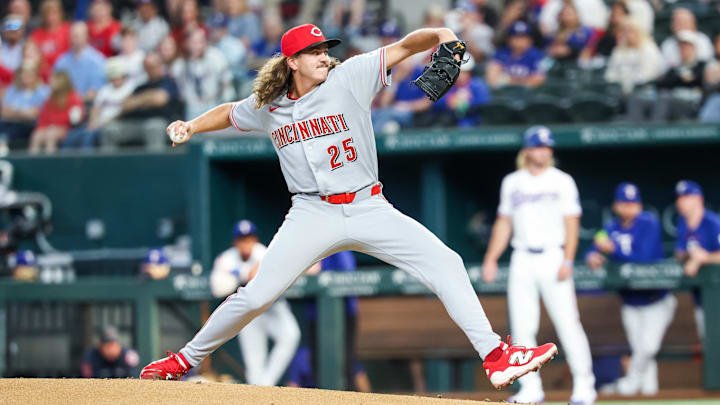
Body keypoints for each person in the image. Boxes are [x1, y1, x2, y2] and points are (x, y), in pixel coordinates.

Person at [139, 23, 558, 389]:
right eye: (314, 52)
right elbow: (231, 113)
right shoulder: (270, 106)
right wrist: (191, 125)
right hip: (310, 213)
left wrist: (443, 36)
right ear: (291, 62)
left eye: (325, 50)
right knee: (255, 296)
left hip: (368, 205)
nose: (324, 57)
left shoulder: (351, 76)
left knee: (446, 262)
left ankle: (495, 356)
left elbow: (409, 44)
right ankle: (185, 359)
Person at [482, 126, 596, 405]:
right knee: (521, 327)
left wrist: (569, 258)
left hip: (553, 255)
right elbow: (504, 222)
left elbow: (572, 222)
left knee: (568, 323)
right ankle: (530, 389)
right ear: (528, 150)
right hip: (522, 256)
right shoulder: (512, 182)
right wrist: (491, 257)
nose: (544, 151)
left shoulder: (562, 180)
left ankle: (585, 386)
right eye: (539, 146)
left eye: (547, 147)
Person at [585, 182, 675, 396]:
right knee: (642, 350)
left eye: (633, 203)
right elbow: (596, 242)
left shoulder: (648, 222)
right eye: (625, 203)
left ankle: (628, 384)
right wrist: (592, 254)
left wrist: (613, 251)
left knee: (649, 347)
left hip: (657, 299)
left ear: (639, 205)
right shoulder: (612, 228)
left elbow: (642, 260)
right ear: (616, 205)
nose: (629, 207)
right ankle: (649, 392)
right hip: (630, 302)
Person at [209, 220, 300, 386]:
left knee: (290, 336)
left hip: (273, 308)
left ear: (255, 239)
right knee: (254, 363)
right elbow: (217, 288)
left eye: (249, 238)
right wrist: (242, 274)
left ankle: (266, 384)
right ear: (235, 242)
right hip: (249, 313)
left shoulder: (263, 252)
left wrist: (238, 275)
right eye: (242, 239)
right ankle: (261, 391)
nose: (246, 243)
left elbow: (260, 279)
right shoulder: (226, 258)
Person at [292, 251, 372, 392]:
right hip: (315, 314)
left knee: (347, 361)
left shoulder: (339, 250)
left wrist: (321, 271)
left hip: (344, 313)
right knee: (317, 361)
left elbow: (347, 274)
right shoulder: (309, 248)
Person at [100, 52, 181, 151]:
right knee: (110, 130)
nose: (149, 70)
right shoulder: (141, 86)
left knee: (153, 128)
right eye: (146, 67)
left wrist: (138, 101)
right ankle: (109, 165)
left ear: (160, 65)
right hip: (136, 123)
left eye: (152, 66)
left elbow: (159, 99)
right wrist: (147, 99)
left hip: (161, 122)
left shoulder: (168, 82)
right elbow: (125, 105)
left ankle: (155, 165)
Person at [674, 180, 720, 345]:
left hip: (717, 297)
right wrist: (692, 255)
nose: (681, 201)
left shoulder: (713, 223)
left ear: (699, 199)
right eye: (679, 197)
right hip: (701, 299)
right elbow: (679, 254)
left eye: (686, 196)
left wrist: (704, 257)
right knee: (710, 347)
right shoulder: (682, 224)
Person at [62, 57, 135, 149]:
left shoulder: (130, 88)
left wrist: (101, 124)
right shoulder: (105, 89)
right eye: (113, 76)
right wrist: (92, 123)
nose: (115, 79)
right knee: (70, 137)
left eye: (118, 75)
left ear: (124, 75)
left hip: (114, 124)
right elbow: (96, 109)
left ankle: (87, 162)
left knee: (88, 138)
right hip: (97, 124)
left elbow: (123, 111)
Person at [170, 29, 235, 120]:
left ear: (205, 42)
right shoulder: (180, 64)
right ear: (187, 43)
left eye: (200, 42)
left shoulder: (217, 57)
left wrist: (223, 103)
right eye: (193, 42)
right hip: (191, 108)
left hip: (214, 104)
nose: (197, 46)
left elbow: (227, 83)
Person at [604, 17, 663, 95]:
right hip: (619, 91)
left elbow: (647, 76)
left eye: (632, 31)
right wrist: (617, 84)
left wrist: (628, 85)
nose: (628, 35)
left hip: (643, 91)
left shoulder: (649, 49)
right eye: (625, 31)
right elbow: (610, 73)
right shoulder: (619, 50)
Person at [29, 70, 83, 154]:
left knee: (51, 135)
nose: (50, 83)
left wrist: (56, 124)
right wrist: (42, 127)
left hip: (66, 128)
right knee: (37, 135)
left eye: (54, 81)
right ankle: (33, 162)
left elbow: (75, 118)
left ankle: (50, 161)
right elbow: (44, 116)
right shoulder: (50, 99)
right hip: (50, 127)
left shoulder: (73, 97)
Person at [53, 22, 106, 102]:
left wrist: (75, 102)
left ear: (86, 37)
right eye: (72, 35)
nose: (74, 39)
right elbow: (55, 87)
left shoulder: (97, 60)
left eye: (77, 35)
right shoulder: (61, 61)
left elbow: (96, 91)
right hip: (64, 106)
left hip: (88, 105)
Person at [0, 61, 49, 147]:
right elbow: (4, 111)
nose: (25, 76)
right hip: (9, 123)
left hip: (29, 126)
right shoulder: (13, 90)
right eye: (23, 73)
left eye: (29, 74)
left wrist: (14, 112)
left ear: (35, 75)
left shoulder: (43, 91)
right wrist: (22, 113)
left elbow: (35, 113)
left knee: (14, 130)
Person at [486, 21, 546, 89]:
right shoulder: (501, 53)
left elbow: (538, 80)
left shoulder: (536, 55)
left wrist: (507, 80)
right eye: (516, 37)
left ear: (530, 40)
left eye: (523, 37)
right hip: (504, 93)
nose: (519, 41)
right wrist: (521, 81)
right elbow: (492, 79)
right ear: (508, 40)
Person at [28, 0, 71, 68]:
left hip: (65, 71)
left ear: (61, 13)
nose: (50, 17)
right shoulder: (36, 35)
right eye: (47, 14)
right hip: (43, 72)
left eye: (54, 13)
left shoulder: (68, 30)